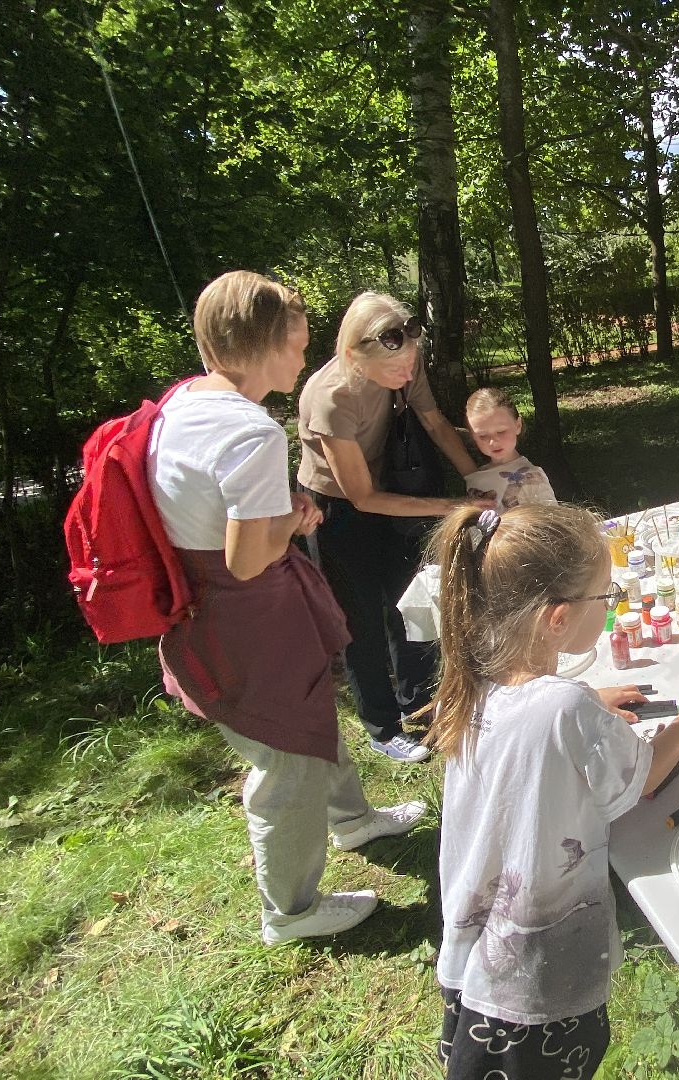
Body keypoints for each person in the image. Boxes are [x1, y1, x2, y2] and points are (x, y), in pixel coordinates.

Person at [149, 271, 424, 945]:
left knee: (310, 717)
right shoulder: (250, 433)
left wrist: (278, 517)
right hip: (242, 615)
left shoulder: (182, 401)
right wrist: (294, 520)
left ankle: (353, 820)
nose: (305, 360)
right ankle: (292, 911)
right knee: (284, 766)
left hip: (216, 607)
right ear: (263, 345)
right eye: (298, 345)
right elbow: (247, 558)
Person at [428, 503, 679, 1080]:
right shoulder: (563, 709)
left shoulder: (472, 675)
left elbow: (532, 716)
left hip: (473, 959)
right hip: (535, 983)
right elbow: (642, 778)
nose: (612, 604)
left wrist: (589, 699)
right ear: (558, 619)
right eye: (606, 595)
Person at [297, 292, 479, 763]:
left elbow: (435, 422)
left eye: (412, 362)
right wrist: (451, 505)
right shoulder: (331, 398)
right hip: (338, 508)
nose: (408, 374)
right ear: (356, 355)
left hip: (393, 487)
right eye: (397, 368)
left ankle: (419, 707)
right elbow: (362, 497)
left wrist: (476, 478)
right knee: (361, 620)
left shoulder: (404, 358)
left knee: (410, 600)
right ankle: (381, 726)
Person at [462, 387, 557, 509]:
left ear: (518, 425)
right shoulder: (476, 476)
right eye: (483, 435)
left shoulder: (533, 477)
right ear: (473, 436)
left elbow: (552, 522)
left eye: (501, 431)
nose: (493, 441)